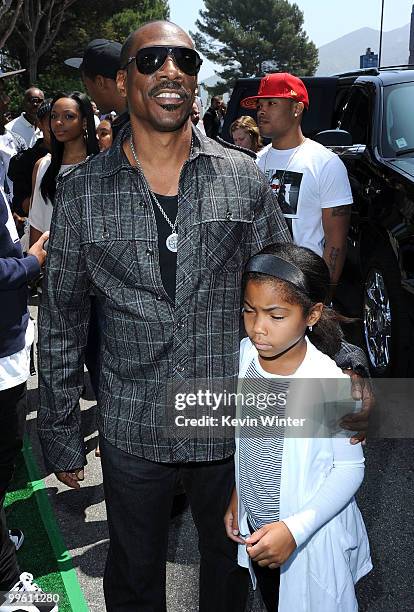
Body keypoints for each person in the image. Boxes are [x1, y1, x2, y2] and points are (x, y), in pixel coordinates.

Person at [37, 20, 371, 612]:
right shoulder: (83, 191)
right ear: (121, 81)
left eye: (184, 63)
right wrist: (61, 428)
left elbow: (287, 278)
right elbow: (61, 318)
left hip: (227, 417)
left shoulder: (243, 177)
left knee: (227, 564)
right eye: (151, 61)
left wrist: (340, 356)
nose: (170, 72)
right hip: (132, 420)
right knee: (135, 573)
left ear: (195, 82)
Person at [225, 242, 372, 611]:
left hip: (308, 541)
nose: (258, 328)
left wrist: (294, 530)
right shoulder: (246, 357)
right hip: (259, 531)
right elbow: (250, 443)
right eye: (249, 311)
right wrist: (239, 495)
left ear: (312, 314)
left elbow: (350, 470)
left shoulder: (328, 382)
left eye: (276, 316)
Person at [241, 73, 352, 293]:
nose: (261, 111)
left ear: (297, 109)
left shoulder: (326, 164)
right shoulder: (254, 163)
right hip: (258, 289)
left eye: (272, 103)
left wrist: (322, 301)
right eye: (260, 104)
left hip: (304, 289)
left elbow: (336, 242)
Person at [29, 91, 99, 245]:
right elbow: (36, 223)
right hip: (50, 262)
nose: (58, 123)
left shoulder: (101, 167)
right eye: (54, 116)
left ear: (85, 122)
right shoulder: (43, 166)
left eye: (68, 116)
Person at [8, 100, 52, 247]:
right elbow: (21, 206)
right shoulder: (25, 161)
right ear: (40, 124)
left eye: (67, 117)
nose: (58, 124)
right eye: (51, 119)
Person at [65, 39, 129, 139]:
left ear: (100, 82)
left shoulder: (132, 131)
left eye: (87, 86)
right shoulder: (143, 118)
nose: (89, 93)